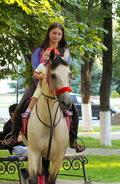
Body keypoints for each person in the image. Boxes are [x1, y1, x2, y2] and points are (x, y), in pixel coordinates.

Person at [8, 22, 85, 153]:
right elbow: (35, 67)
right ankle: (13, 136)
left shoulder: (64, 51)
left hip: (58, 84)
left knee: (73, 109)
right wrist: (42, 78)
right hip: (39, 82)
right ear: (49, 33)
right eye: (54, 33)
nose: (56, 36)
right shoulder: (39, 50)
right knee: (21, 105)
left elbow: (65, 68)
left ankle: (73, 139)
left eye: (59, 34)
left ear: (62, 36)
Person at [21, 48, 51, 119]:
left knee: (60, 96)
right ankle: (28, 110)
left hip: (51, 87)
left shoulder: (54, 67)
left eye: (48, 56)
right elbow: (35, 73)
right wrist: (39, 76)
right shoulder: (41, 65)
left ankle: (65, 109)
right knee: (35, 96)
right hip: (41, 86)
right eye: (45, 55)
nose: (46, 57)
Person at [2, 104, 29, 180]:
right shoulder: (8, 125)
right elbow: (15, 139)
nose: (21, 114)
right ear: (12, 113)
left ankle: (26, 171)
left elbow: (23, 137)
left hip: (24, 147)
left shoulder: (19, 124)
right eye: (18, 112)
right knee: (36, 153)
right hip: (16, 149)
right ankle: (27, 172)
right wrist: (23, 137)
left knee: (40, 153)